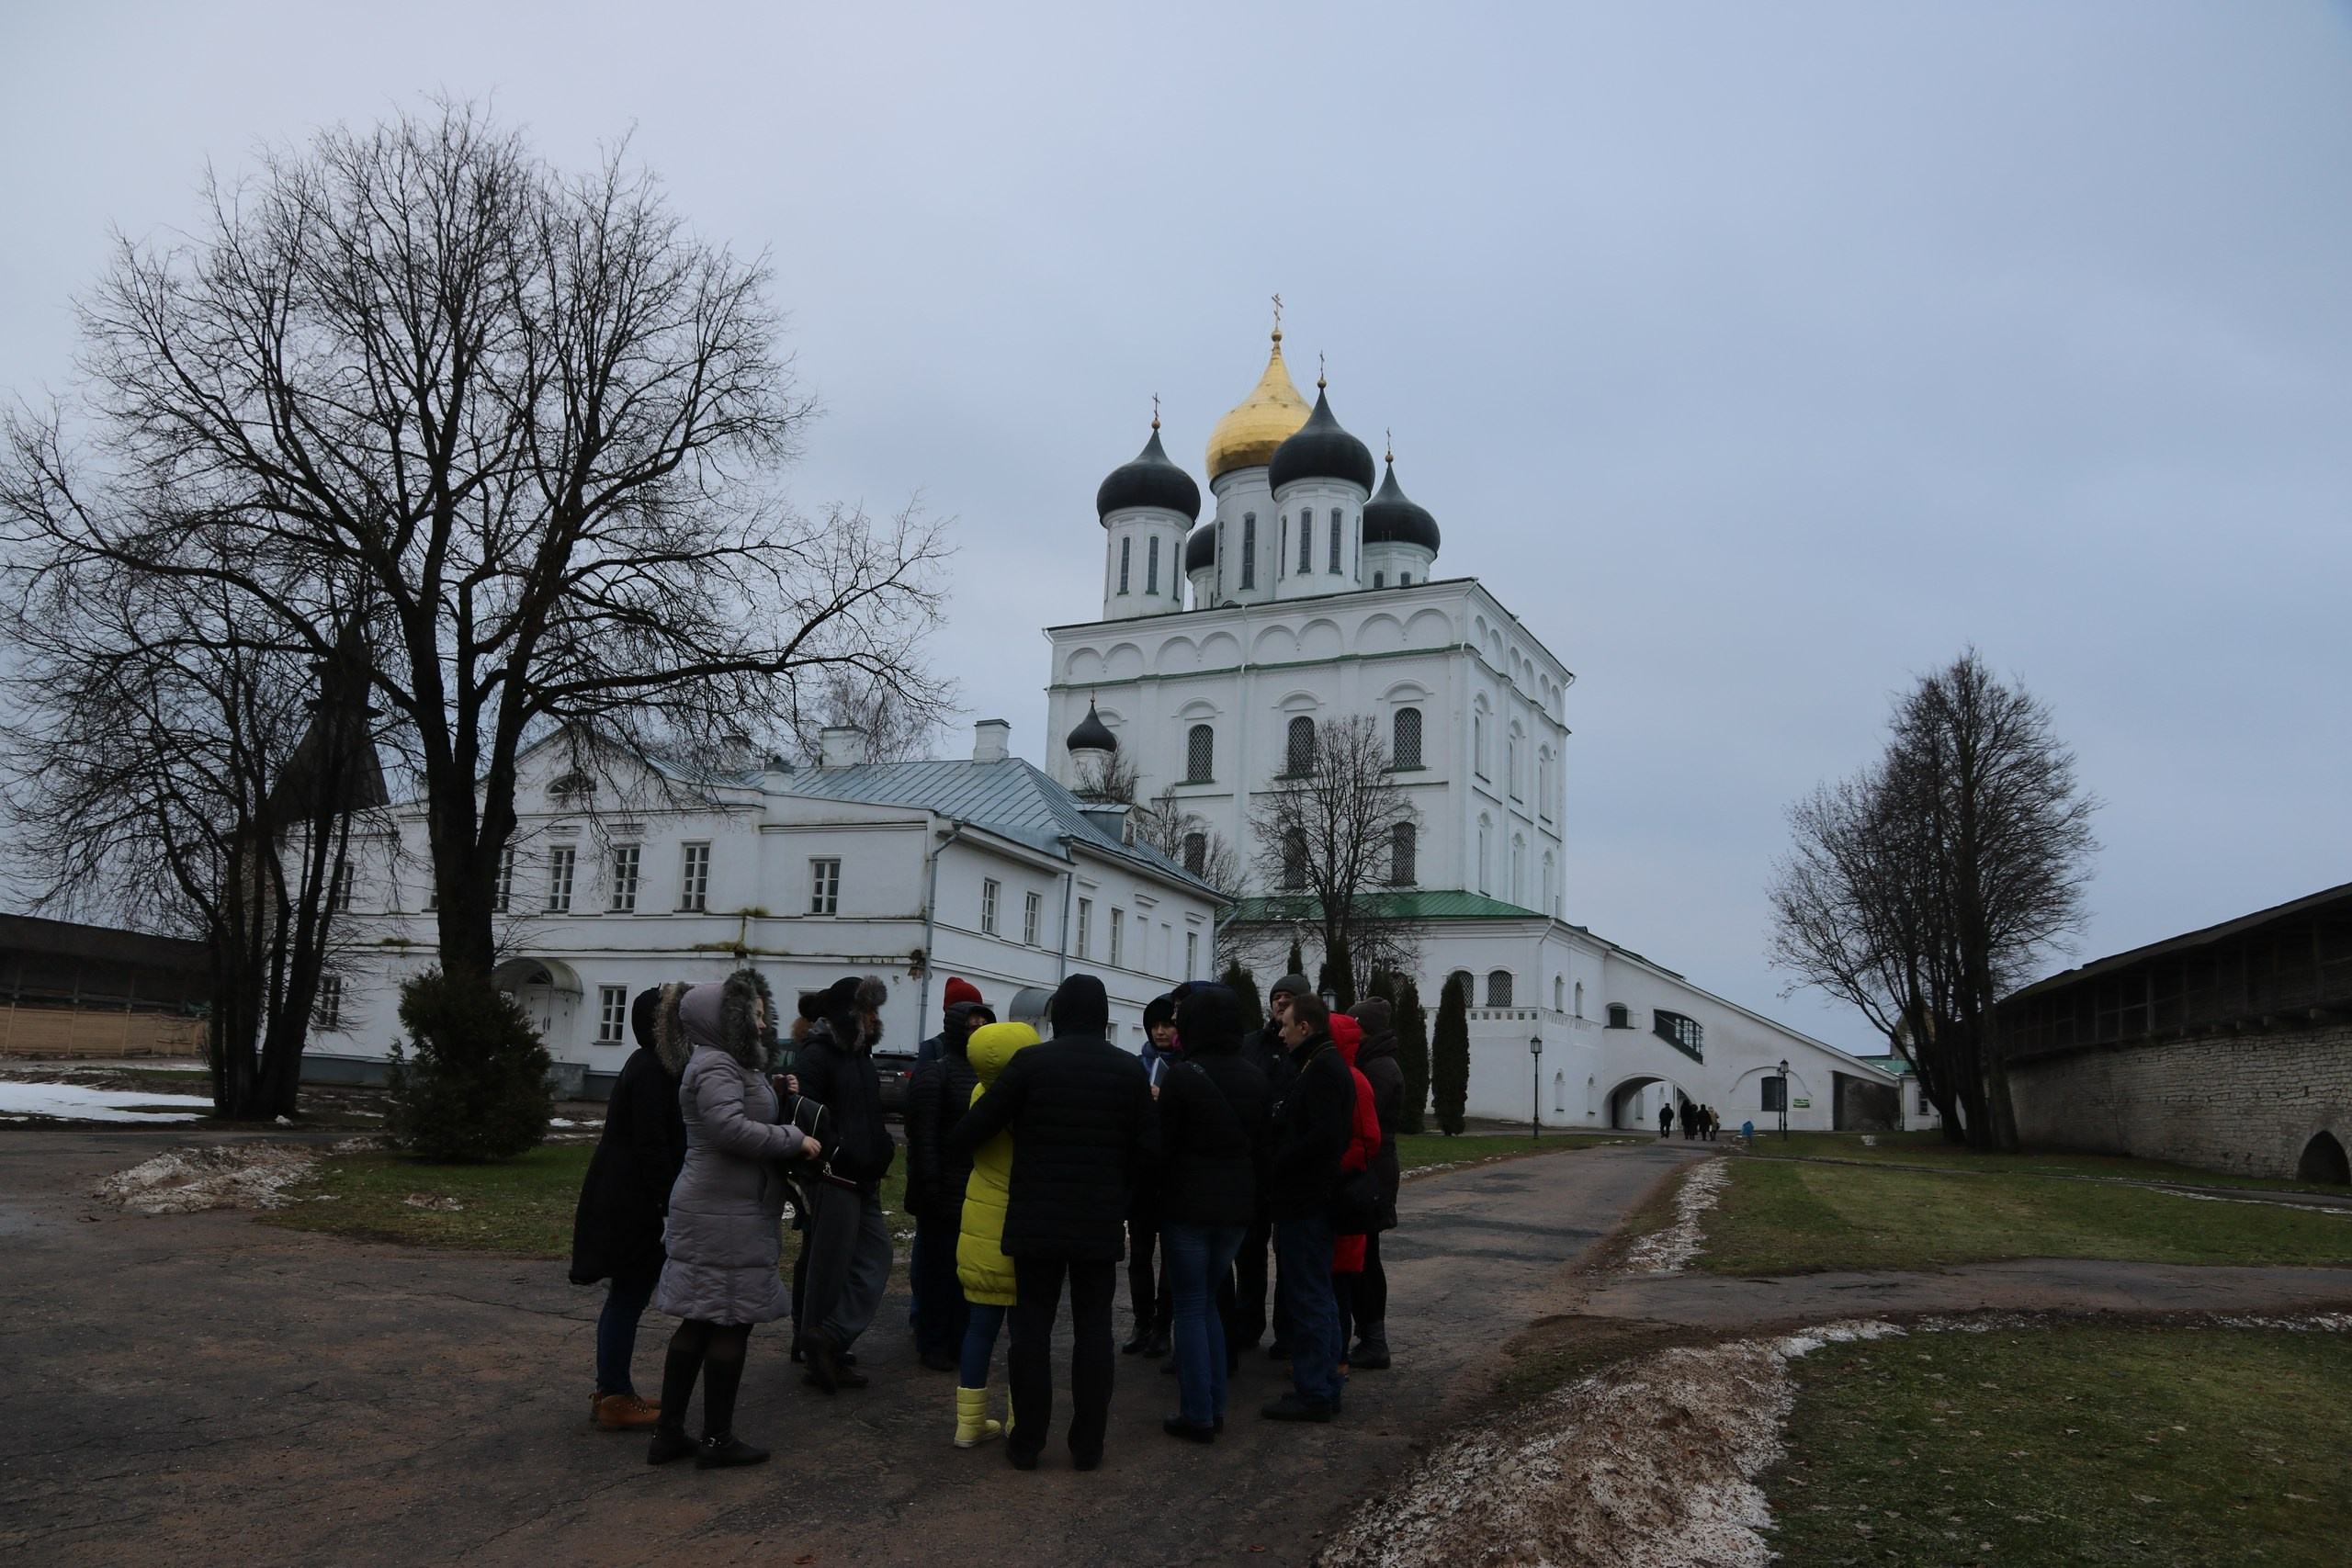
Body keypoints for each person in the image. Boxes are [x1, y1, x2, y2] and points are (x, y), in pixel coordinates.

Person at [949, 973, 1158, 1472]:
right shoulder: (1128, 1070)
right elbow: (1151, 1153)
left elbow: (970, 1132)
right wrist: (1117, 1190)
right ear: (1103, 1015)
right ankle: (1088, 1447)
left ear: (1056, 1015)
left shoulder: (1032, 1063)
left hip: (1035, 1219)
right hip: (1097, 1219)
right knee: (1093, 1333)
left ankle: (1028, 1444)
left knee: (1033, 1334)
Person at [646, 970, 821, 1470]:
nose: (764, 1023)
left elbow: (738, 1117)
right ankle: (716, 1440)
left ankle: (670, 1433)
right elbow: (727, 1129)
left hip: (721, 1202)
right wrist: (793, 1138)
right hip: (723, 1207)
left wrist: (776, 1094)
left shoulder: (722, 1064)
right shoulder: (719, 1064)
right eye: (755, 1015)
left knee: (701, 1317)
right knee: (729, 1319)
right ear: (724, 1020)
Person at [569, 984, 690, 1431]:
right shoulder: (652, 1071)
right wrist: (667, 1202)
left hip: (628, 1195)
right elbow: (653, 1145)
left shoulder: (652, 1065)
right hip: (632, 1201)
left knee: (628, 1297)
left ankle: (613, 1389)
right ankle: (614, 1395)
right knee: (627, 1297)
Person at [1155, 984, 1272, 1441]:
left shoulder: (1183, 1077)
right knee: (1208, 1306)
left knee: (1190, 1306)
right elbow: (1264, 1152)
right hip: (1237, 1210)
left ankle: (1199, 1412)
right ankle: (1214, 1406)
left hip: (1188, 1207)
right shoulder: (1255, 1076)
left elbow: (1163, 1147)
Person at [793, 975, 897, 1393]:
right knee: (828, 1268)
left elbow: (866, 1114)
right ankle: (819, 1352)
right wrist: (835, 1155)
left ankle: (829, 1336)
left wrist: (881, 1149)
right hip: (833, 1177)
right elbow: (804, 1117)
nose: (874, 1018)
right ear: (846, 1014)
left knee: (875, 1257)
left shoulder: (859, 1056)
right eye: (866, 1009)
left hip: (864, 1176)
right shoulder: (817, 1057)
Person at [1261, 990, 1355, 1424]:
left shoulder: (1320, 1069)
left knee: (1310, 1296)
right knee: (1317, 1293)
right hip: (1310, 1195)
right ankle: (1325, 1386)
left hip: (1307, 1198)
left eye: (1286, 1024)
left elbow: (1321, 1137)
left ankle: (1315, 1390)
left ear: (1306, 1027)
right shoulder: (1320, 1063)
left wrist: (1280, 1158)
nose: (1279, 1030)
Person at [951, 1018, 1040, 1447]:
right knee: (1024, 1335)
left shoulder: (979, 1095)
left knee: (979, 1328)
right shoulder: (1038, 1103)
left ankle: (968, 1423)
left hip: (981, 1224)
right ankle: (1018, 1419)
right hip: (1023, 1225)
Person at [906, 992, 992, 1371]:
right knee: (937, 1274)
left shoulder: (989, 1075)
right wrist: (930, 1188)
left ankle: (959, 1339)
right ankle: (932, 1342)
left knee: (967, 1276)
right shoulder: (935, 1070)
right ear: (956, 1029)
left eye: (983, 1026)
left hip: (977, 1191)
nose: (977, 1032)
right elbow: (922, 1137)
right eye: (971, 1026)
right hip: (941, 1191)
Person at [1237, 972, 1310, 1358]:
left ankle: (1287, 1331)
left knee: (1289, 1254)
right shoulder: (1251, 1045)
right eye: (1276, 996)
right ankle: (1246, 1324)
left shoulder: (1308, 1049)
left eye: (1288, 997)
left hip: (1289, 1165)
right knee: (1248, 1251)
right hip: (1253, 1164)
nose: (1280, 1003)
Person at [1343, 996, 1404, 1371]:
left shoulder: (1378, 1069)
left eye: (1354, 1024)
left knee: (1365, 1259)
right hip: (1377, 1170)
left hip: (1373, 1172)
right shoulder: (1376, 1062)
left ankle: (1373, 1340)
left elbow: (1367, 1126)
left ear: (1364, 1028)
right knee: (1366, 1257)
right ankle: (1370, 1336)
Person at [1326, 1011, 1382, 1400]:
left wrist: (1334, 1173)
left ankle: (1337, 1358)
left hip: (1344, 1196)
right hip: (1333, 1192)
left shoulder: (1354, 1080)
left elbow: (1367, 1140)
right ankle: (1326, 1355)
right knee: (1326, 1280)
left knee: (1339, 1280)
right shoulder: (1335, 1075)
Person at [1123, 992, 1182, 1359]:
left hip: (1174, 1172)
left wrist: (1168, 1098)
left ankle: (1163, 1325)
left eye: (1167, 1024)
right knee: (1140, 1254)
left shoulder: (1188, 1065)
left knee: (1173, 1256)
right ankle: (1142, 1321)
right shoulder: (1136, 1065)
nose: (1161, 1032)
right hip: (1141, 1172)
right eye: (1155, 1025)